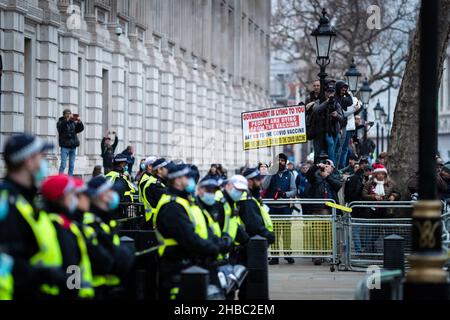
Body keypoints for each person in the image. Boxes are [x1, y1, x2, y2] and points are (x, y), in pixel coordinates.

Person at [0, 133, 70, 299]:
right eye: (42, 157)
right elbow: (9, 259)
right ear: (29, 161)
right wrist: (44, 275)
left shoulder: (28, 200)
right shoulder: (6, 203)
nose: (44, 163)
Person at [153, 164, 220, 300]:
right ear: (177, 180)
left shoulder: (183, 201)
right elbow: (188, 238)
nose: (191, 180)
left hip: (188, 265)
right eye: (187, 177)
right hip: (176, 267)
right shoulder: (172, 206)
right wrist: (213, 248)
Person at [40, 175, 95, 299]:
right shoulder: (60, 226)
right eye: (70, 194)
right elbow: (71, 265)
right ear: (59, 198)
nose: (74, 199)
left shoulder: (66, 224)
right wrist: (74, 293)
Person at [83, 176, 135, 298]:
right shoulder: (90, 223)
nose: (114, 194)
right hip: (96, 289)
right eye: (110, 191)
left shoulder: (105, 218)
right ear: (101, 195)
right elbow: (107, 260)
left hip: (110, 286)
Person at [262, 153, 296, 264]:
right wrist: (270, 172)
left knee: (286, 231)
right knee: (274, 232)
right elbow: (264, 186)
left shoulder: (290, 174)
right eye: (278, 160)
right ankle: (275, 256)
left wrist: (285, 194)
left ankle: (287, 254)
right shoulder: (271, 173)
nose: (280, 162)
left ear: (285, 162)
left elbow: (294, 191)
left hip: (285, 207)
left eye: (282, 160)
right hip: (272, 207)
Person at [310, 84, 344, 163]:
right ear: (325, 92)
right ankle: (332, 165)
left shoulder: (336, 103)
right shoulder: (320, 101)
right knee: (330, 144)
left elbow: (342, 118)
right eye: (328, 92)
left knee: (335, 148)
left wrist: (337, 115)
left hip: (335, 129)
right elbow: (315, 111)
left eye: (332, 92)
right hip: (324, 130)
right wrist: (326, 102)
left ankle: (333, 166)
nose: (330, 94)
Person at [141, 158, 172, 226]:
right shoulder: (155, 184)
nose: (169, 170)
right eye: (167, 168)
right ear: (159, 170)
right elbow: (168, 203)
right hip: (155, 220)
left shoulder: (158, 182)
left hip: (156, 218)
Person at [57, 109, 84, 176]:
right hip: (65, 147)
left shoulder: (72, 123)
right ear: (64, 115)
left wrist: (79, 121)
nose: (69, 115)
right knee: (63, 164)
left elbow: (80, 129)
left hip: (73, 147)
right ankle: (60, 179)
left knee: (71, 165)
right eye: (67, 114)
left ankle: (69, 180)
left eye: (69, 113)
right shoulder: (60, 122)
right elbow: (60, 128)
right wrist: (67, 120)